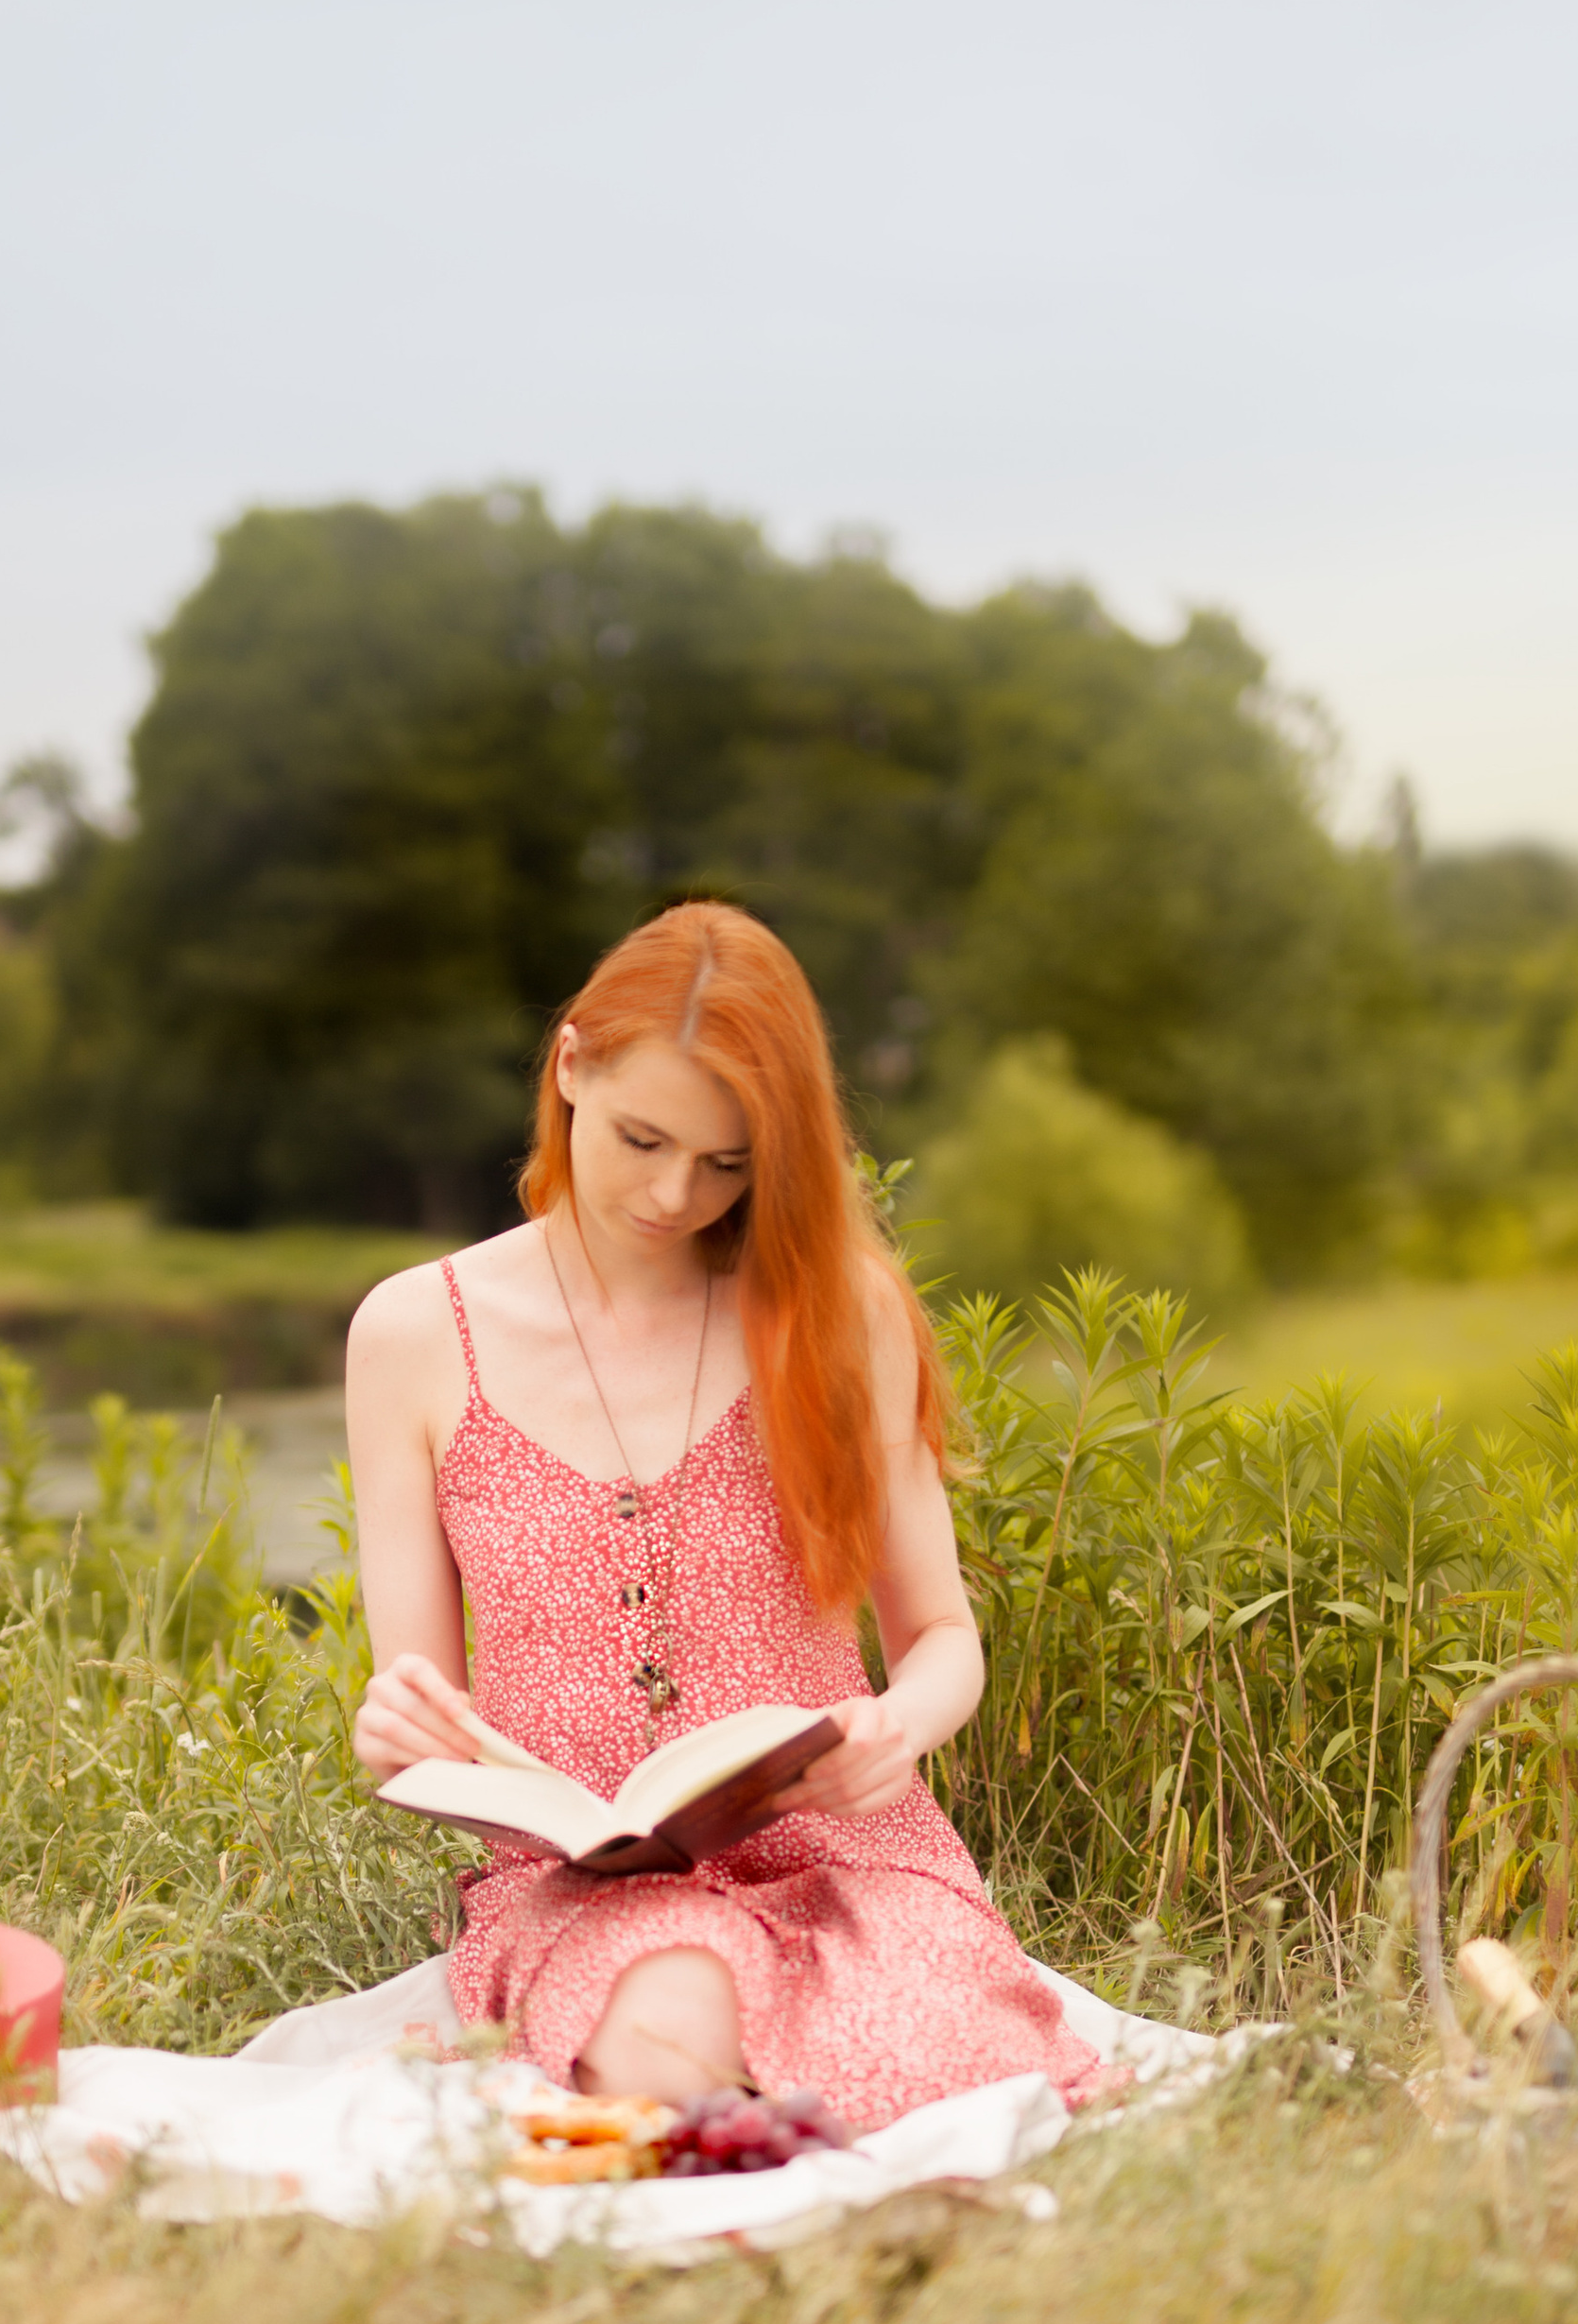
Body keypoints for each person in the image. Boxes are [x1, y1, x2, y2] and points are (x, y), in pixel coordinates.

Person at [346, 901, 1109, 2126]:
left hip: (848, 1857)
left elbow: (941, 1639)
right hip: (577, 1886)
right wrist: (395, 1731)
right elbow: (421, 1707)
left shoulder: (834, 1310)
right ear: (571, 1066)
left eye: (727, 1163)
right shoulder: (413, 1333)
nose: (672, 1194)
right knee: (672, 2055)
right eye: (643, 1139)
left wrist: (896, 1731)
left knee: (920, 2065)